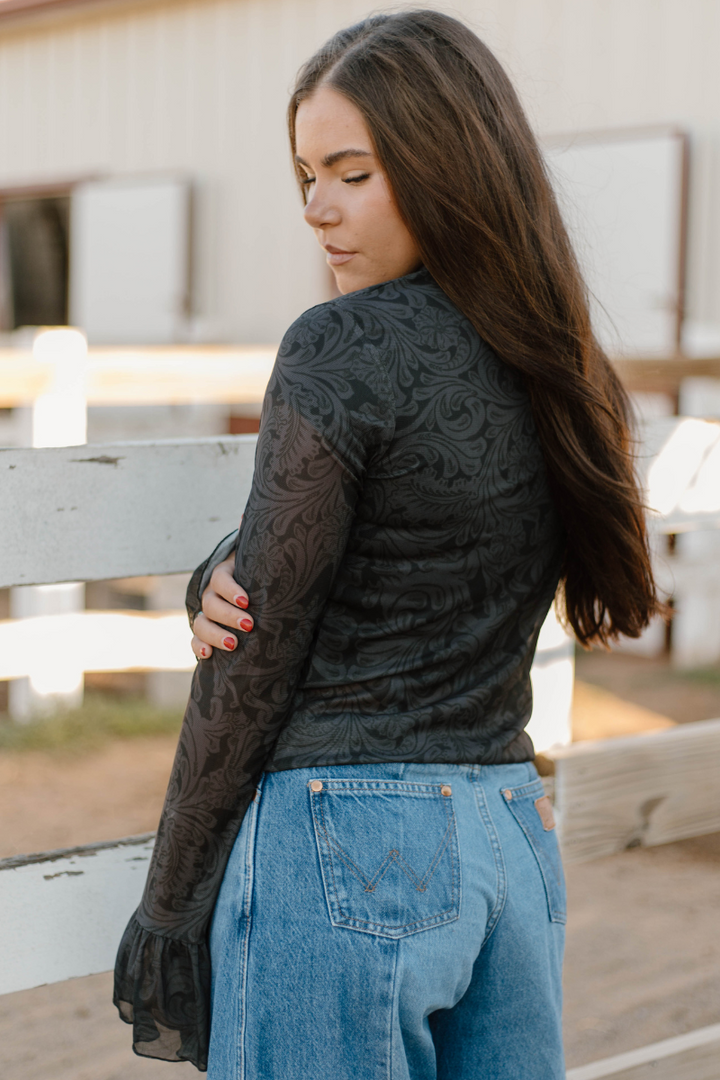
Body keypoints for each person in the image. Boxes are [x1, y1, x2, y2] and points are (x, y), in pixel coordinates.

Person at [114, 11, 660, 1079]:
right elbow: (415, 546)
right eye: (306, 175)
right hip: (507, 836)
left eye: (351, 174)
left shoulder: (342, 343)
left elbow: (258, 652)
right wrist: (221, 565)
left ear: (445, 163)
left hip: (348, 852)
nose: (317, 209)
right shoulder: (562, 366)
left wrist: (171, 902)